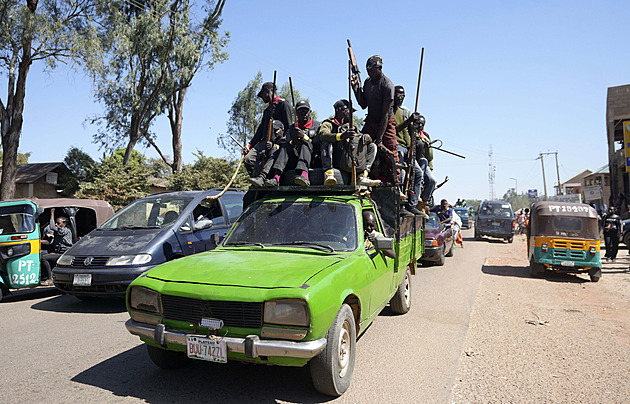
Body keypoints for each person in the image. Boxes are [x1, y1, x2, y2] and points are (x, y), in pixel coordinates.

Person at [350, 55, 400, 183]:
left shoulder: (387, 86)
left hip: (385, 123)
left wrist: (379, 138)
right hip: (371, 121)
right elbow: (363, 104)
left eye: (372, 71)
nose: (370, 74)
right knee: (360, 143)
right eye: (368, 71)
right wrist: (355, 88)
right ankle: (361, 175)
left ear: (380, 68)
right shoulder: (367, 82)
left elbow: (384, 115)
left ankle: (396, 183)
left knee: (391, 152)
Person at [317, 99, 380, 187]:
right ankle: (328, 173)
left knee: (372, 146)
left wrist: (367, 138)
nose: (351, 115)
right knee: (326, 143)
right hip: (336, 158)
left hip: (350, 159)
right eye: (349, 111)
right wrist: (341, 136)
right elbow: (322, 135)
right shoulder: (329, 123)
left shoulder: (352, 126)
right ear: (341, 111)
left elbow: (360, 138)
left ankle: (363, 175)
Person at [243, 81, 293, 178]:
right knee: (248, 159)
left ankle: (265, 179)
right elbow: (260, 130)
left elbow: (289, 127)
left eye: (262, 95)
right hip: (263, 143)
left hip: (276, 143)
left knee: (267, 158)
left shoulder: (283, 104)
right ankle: (256, 180)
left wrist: (280, 142)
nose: (262, 98)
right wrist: (249, 145)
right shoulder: (266, 110)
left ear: (267, 91)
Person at [265, 100, 320, 187]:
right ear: (296, 113)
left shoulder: (317, 126)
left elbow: (318, 144)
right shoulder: (292, 128)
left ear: (310, 112)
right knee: (285, 146)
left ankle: (304, 176)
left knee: (305, 143)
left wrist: (304, 137)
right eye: (300, 111)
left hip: (312, 159)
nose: (303, 113)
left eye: (305, 111)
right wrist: (293, 142)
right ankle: (276, 178)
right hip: (295, 159)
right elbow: (288, 143)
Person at [393, 85, 426, 217]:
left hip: (407, 147)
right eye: (398, 95)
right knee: (401, 175)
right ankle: (400, 205)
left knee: (418, 173)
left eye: (403, 96)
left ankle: (412, 205)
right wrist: (409, 121)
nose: (400, 98)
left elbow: (408, 131)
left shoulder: (403, 112)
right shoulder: (389, 111)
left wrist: (413, 124)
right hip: (397, 146)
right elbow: (393, 130)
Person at [40, 208, 73, 285]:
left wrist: (52, 213)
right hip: (58, 252)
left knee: (44, 258)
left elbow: (52, 227)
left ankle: (50, 279)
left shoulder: (65, 230)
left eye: (58, 223)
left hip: (64, 253)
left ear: (64, 223)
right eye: (56, 223)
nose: (56, 225)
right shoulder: (59, 231)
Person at [247, 120, 285, 186]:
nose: (274, 133)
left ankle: (262, 177)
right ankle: (257, 177)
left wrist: (274, 146)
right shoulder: (267, 144)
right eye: (272, 131)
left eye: (276, 130)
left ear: (282, 131)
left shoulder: (285, 140)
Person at [413, 115, 437, 206]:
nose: (419, 126)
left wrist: (430, 168)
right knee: (422, 164)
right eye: (418, 123)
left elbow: (430, 155)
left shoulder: (426, 135)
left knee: (432, 180)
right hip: (415, 161)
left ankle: (424, 201)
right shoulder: (410, 133)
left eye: (422, 124)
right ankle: (417, 196)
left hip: (425, 163)